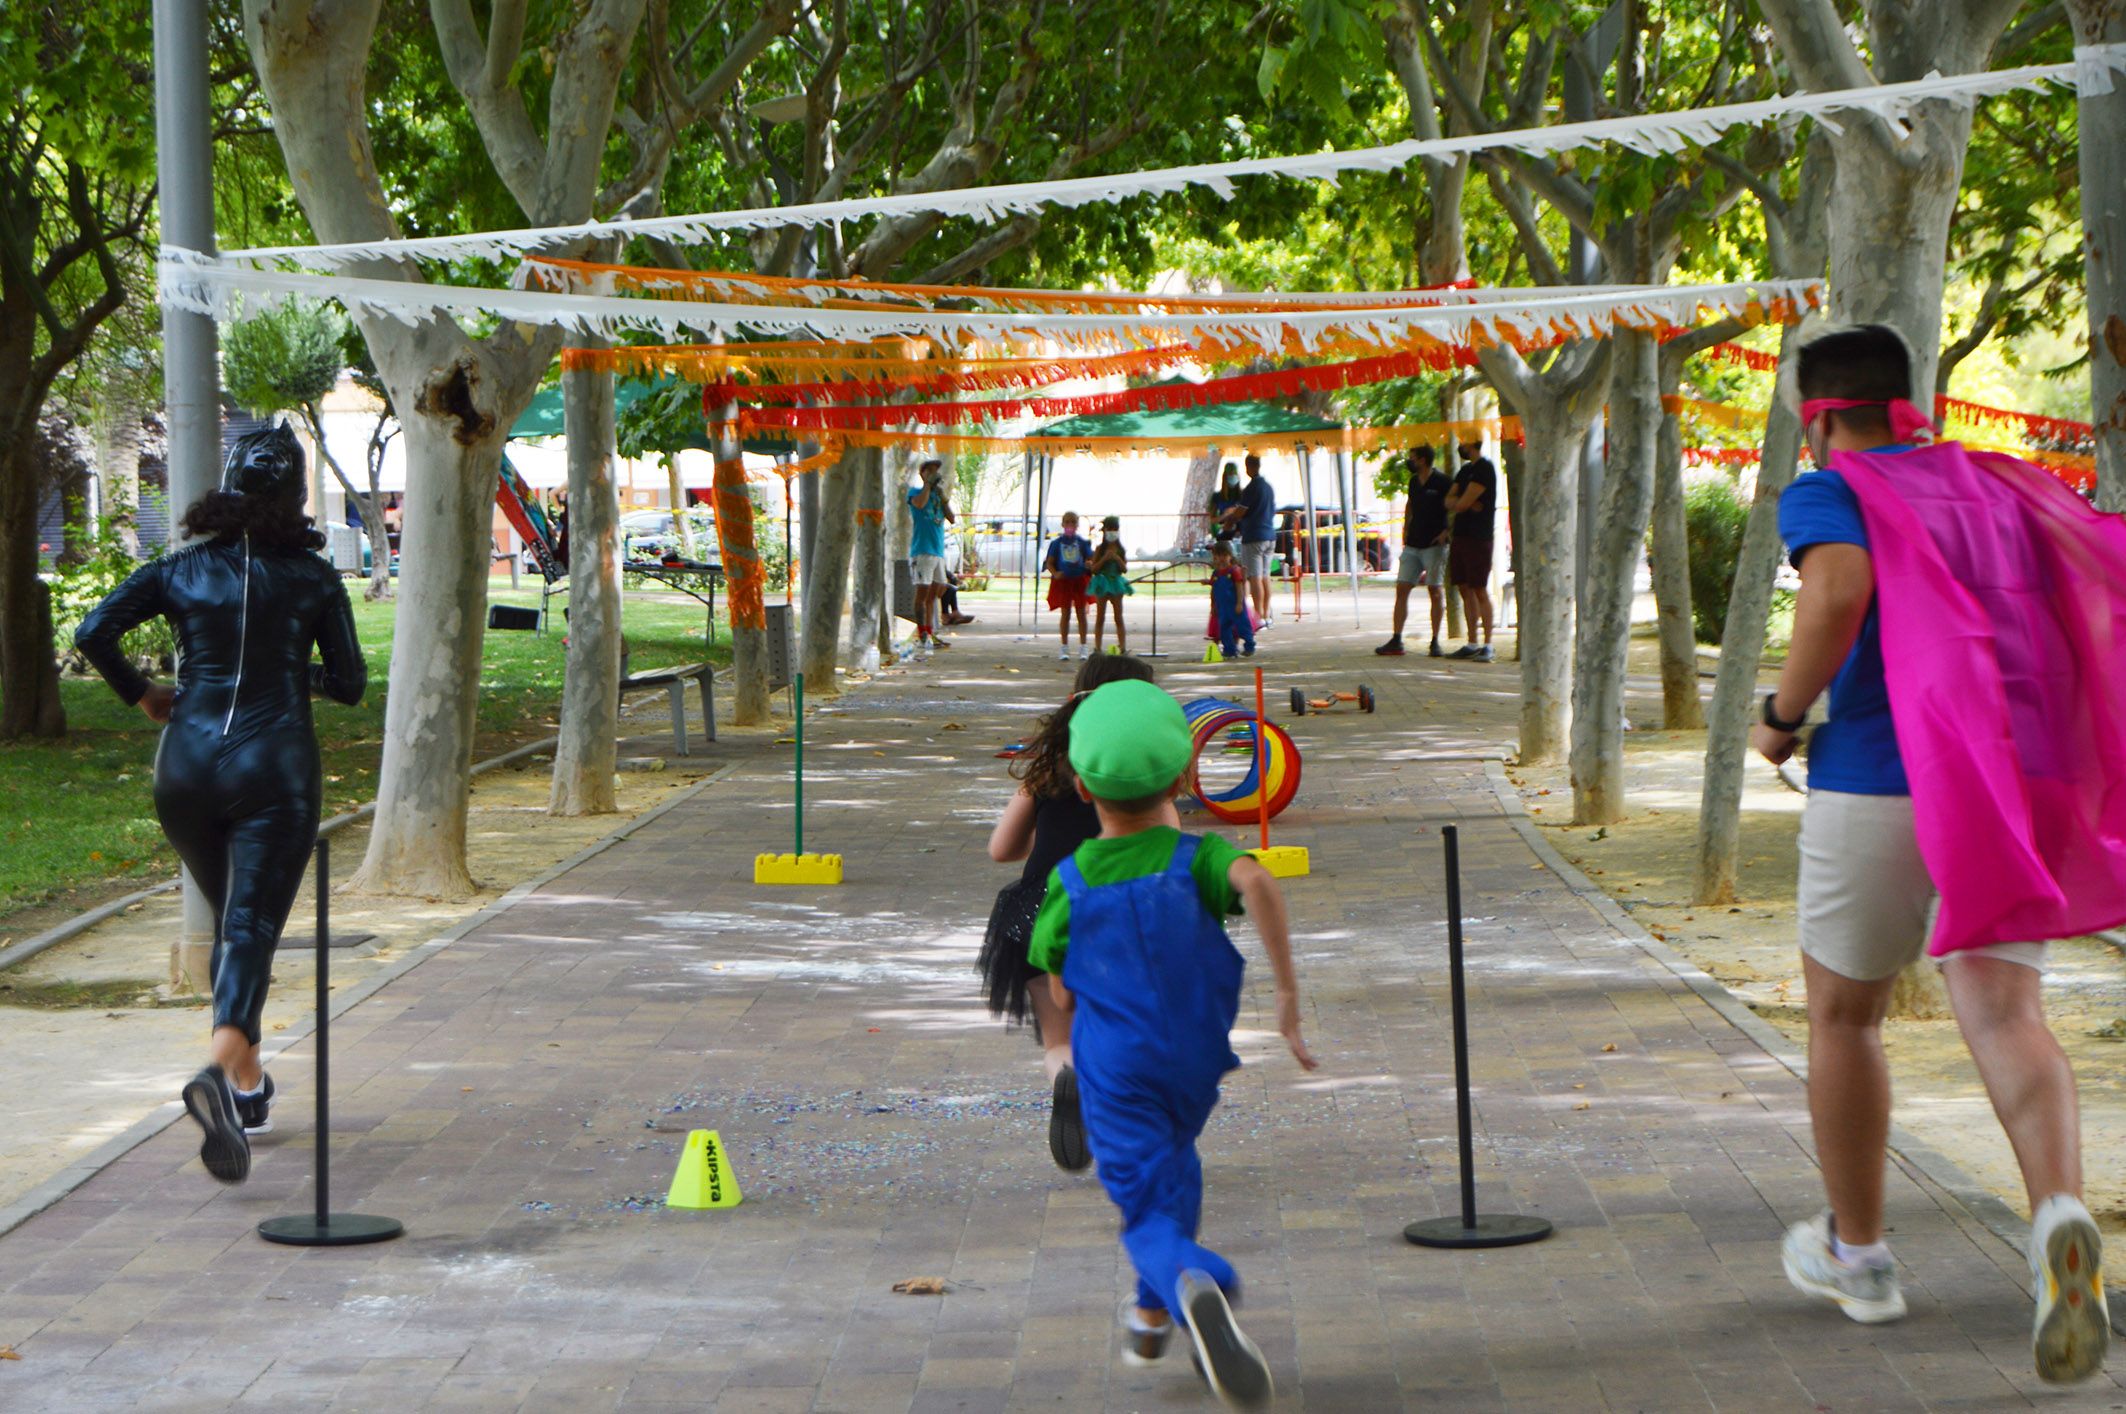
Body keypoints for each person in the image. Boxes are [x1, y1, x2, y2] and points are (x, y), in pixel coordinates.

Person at [1753, 324, 2120, 1384]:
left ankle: (1858, 1257)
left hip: (1876, 780)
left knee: (1843, 1013)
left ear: (1814, 412)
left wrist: (1779, 714)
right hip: (2000, 785)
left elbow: (1832, 593)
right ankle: (2055, 1214)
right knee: (2007, 1015)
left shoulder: (1828, 488)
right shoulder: (1992, 485)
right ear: (1903, 396)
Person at [74, 424, 366, 1185]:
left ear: (230, 492)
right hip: (275, 768)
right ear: (298, 497)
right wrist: (291, 674)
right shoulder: (313, 578)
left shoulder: (181, 569)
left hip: (187, 769)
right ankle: (217, 1067)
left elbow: (93, 629)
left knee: (239, 931)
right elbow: (351, 683)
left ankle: (246, 1087)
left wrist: (143, 694)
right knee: (251, 927)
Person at [1028, 679, 1315, 1408]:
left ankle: (1194, 1280)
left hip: (1117, 1069)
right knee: (1175, 1173)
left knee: (1143, 1209)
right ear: (1187, 777)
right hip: (1195, 1062)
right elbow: (1259, 882)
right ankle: (1153, 1313)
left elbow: (1059, 988)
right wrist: (1284, 994)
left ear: (1082, 784)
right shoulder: (1202, 862)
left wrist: (1077, 987)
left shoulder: (1070, 880)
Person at [983, 653, 1159, 1171]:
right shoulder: (1148, 775)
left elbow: (1001, 850)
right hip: (1121, 914)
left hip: (1043, 910)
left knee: (1060, 1038)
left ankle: (1067, 1075)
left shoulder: (1046, 771)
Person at [1376, 444, 1452, 657]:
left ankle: (1435, 641)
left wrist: (1446, 532)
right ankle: (1397, 638)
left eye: (1413, 457)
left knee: (1435, 591)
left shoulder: (1443, 481)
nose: (1410, 461)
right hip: (1413, 544)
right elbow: (1410, 504)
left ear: (1423, 459)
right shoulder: (1413, 481)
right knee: (1402, 588)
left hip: (1434, 545)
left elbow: (1453, 506)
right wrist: (1405, 528)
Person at [1443, 438, 1497, 660]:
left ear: (1471, 444)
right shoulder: (1464, 471)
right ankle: (1472, 641)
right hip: (1461, 535)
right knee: (1464, 588)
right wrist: (1460, 502)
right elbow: (1449, 501)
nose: (1460, 446)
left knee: (1479, 589)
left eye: (1463, 442)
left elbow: (1462, 502)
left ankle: (1488, 644)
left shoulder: (1485, 468)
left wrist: (1462, 502)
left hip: (1479, 537)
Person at [908, 459, 956, 655]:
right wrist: (927, 485)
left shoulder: (936, 497)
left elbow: (951, 518)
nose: (935, 475)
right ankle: (921, 635)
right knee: (922, 593)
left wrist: (943, 498)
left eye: (937, 472)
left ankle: (929, 632)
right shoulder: (915, 493)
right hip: (922, 550)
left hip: (938, 551)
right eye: (931, 472)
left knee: (935, 593)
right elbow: (919, 504)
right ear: (923, 474)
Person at [1223, 454, 1277, 627]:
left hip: (1254, 536)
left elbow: (1241, 511)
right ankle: (1267, 615)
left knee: (1254, 576)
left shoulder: (1252, 488)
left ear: (1249, 467)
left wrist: (1230, 520)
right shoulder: (1268, 487)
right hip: (1270, 535)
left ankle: (1258, 616)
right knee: (1265, 576)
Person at [1044, 511, 1095, 660]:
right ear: (1062, 524)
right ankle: (1064, 647)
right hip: (1064, 582)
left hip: (1079, 580)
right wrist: (1055, 573)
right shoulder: (1056, 543)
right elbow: (1050, 562)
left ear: (1077, 525)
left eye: (1073, 522)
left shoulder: (1082, 543)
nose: (1070, 525)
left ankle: (1083, 647)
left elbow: (1091, 560)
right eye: (1067, 522)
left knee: (1081, 614)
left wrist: (1089, 564)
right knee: (1065, 614)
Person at [1088, 515, 1133, 655]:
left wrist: (1117, 559)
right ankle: (1097, 647)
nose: (1112, 532)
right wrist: (1104, 559)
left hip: (1116, 583)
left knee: (1118, 616)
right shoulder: (1100, 549)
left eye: (1115, 529)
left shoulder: (1121, 549)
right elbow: (1094, 569)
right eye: (1110, 529)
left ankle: (1122, 646)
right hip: (1103, 582)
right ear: (1105, 531)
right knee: (1100, 617)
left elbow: (1124, 569)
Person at [1208, 540, 1254, 660]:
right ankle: (1229, 649)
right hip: (1222, 607)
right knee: (1224, 629)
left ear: (1230, 555)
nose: (1221, 559)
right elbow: (1213, 590)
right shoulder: (1216, 573)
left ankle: (1249, 645)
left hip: (1235, 605)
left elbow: (1239, 588)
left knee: (1243, 627)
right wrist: (1213, 606)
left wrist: (1239, 603)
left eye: (1224, 555)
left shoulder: (1234, 571)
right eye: (1218, 556)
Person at [1207, 462, 1245, 545]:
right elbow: (1212, 520)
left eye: (1234, 474)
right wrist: (1226, 514)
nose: (1233, 477)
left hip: (1241, 535)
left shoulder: (1244, 494)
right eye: (1230, 475)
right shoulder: (1217, 496)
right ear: (1225, 477)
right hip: (1223, 536)